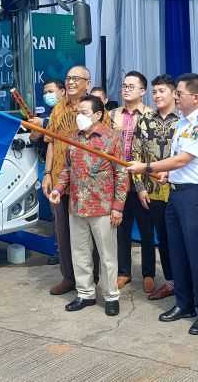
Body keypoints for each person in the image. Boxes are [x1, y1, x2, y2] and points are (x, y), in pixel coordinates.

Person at [127, 73, 198, 336]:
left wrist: (146, 167)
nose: (175, 97)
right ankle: (184, 303)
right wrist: (166, 174)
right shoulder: (182, 123)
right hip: (176, 193)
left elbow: (182, 160)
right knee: (177, 251)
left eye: (179, 93)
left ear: (195, 97)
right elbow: (177, 162)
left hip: (195, 197)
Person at [48, 95, 126, 316]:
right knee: (80, 252)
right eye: (78, 113)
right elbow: (67, 169)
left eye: (84, 112)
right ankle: (85, 293)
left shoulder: (111, 139)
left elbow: (121, 175)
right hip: (76, 204)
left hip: (102, 206)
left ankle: (111, 295)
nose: (79, 117)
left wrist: (118, 206)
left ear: (98, 114)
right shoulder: (74, 138)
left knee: (107, 255)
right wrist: (58, 189)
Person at [40, 65, 93, 295]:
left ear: (87, 83)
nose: (71, 82)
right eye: (68, 78)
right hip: (60, 181)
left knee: (87, 235)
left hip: (86, 182)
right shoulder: (58, 108)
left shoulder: (93, 108)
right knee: (62, 232)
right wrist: (47, 173)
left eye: (76, 78)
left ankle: (92, 280)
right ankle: (68, 277)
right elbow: (50, 141)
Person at [131, 74, 179, 300]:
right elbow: (135, 154)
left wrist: (171, 173)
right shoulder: (145, 120)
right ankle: (170, 281)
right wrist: (139, 187)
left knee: (181, 239)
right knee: (163, 238)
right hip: (152, 193)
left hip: (179, 191)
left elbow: (187, 158)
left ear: (174, 94)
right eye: (155, 92)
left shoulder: (183, 120)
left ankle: (186, 282)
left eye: (162, 91)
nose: (157, 96)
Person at [110, 71, 155, 292]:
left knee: (147, 229)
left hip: (143, 181)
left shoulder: (151, 115)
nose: (126, 89)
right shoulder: (111, 115)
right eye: (124, 85)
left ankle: (148, 273)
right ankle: (124, 272)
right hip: (118, 179)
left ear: (142, 91)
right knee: (121, 228)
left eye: (131, 86)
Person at [28, 79, 66, 265]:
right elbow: (43, 142)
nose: (47, 95)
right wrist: (35, 135)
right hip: (53, 170)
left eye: (50, 91)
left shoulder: (70, 112)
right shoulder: (47, 114)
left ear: (62, 92)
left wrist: (43, 123)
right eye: (45, 92)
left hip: (73, 170)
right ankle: (60, 252)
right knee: (56, 215)